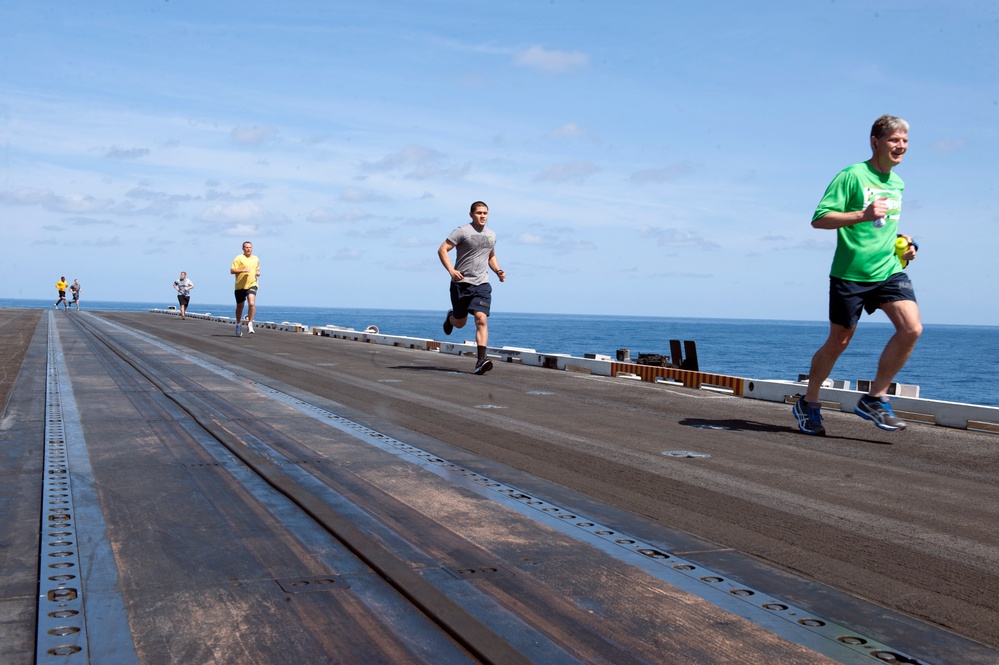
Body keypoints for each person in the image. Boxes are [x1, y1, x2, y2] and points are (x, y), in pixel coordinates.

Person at [793, 115, 921, 436]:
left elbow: (884, 228)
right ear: (875, 141)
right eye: (894, 140)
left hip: (887, 270)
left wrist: (903, 247)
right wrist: (861, 215)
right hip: (850, 274)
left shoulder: (897, 183)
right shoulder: (852, 175)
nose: (901, 146)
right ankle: (808, 403)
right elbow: (820, 219)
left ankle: (875, 397)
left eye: (905, 141)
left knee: (911, 329)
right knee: (839, 341)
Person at [437, 201, 506, 375]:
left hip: (482, 284)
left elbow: (490, 255)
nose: (482, 216)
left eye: (485, 213)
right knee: (460, 323)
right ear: (471, 214)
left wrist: (497, 270)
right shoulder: (462, 231)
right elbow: (442, 250)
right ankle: (450, 317)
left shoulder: (491, 235)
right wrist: (451, 270)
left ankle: (480, 360)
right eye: (479, 213)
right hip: (461, 284)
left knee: (481, 318)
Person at [230, 241, 260, 336]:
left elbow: (257, 269)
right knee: (240, 307)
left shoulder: (255, 259)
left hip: (252, 284)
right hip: (240, 286)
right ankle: (238, 324)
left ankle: (250, 323)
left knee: (251, 303)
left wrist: (258, 272)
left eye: (250, 247)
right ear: (243, 249)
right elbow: (232, 270)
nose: (248, 249)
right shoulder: (239, 258)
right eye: (246, 247)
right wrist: (243, 270)